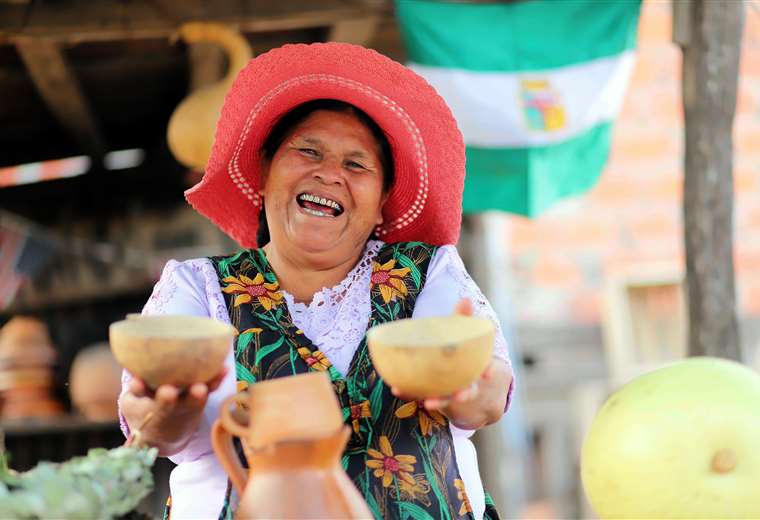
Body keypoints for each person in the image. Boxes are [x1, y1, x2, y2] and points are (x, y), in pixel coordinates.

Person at [119, 42, 514, 520]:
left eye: (356, 164)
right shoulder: (199, 288)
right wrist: (164, 415)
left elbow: (485, 398)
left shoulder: (427, 272)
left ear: (384, 198)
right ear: (264, 172)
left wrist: (474, 396)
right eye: (308, 151)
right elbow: (156, 430)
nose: (329, 174)